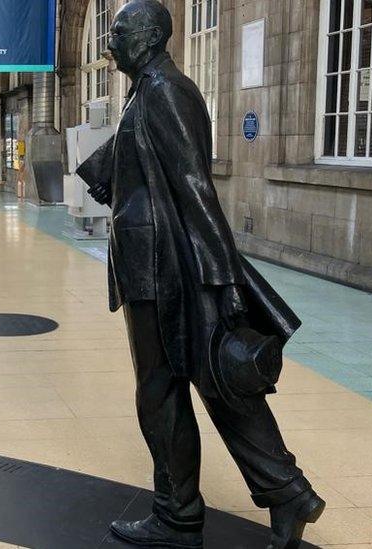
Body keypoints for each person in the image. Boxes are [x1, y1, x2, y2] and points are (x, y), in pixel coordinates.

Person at [76, 3, 323, 548]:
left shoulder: (166, 90)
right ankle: (284, 494)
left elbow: (194, 186)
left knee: (166, 390)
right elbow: (152, 164)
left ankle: (180, 514)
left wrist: (226, 280)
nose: (108, 42)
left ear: (149, 37)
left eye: (117, 32)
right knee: (207, 385)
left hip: (167, 268)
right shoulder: (148, 90)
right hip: (154, 262)